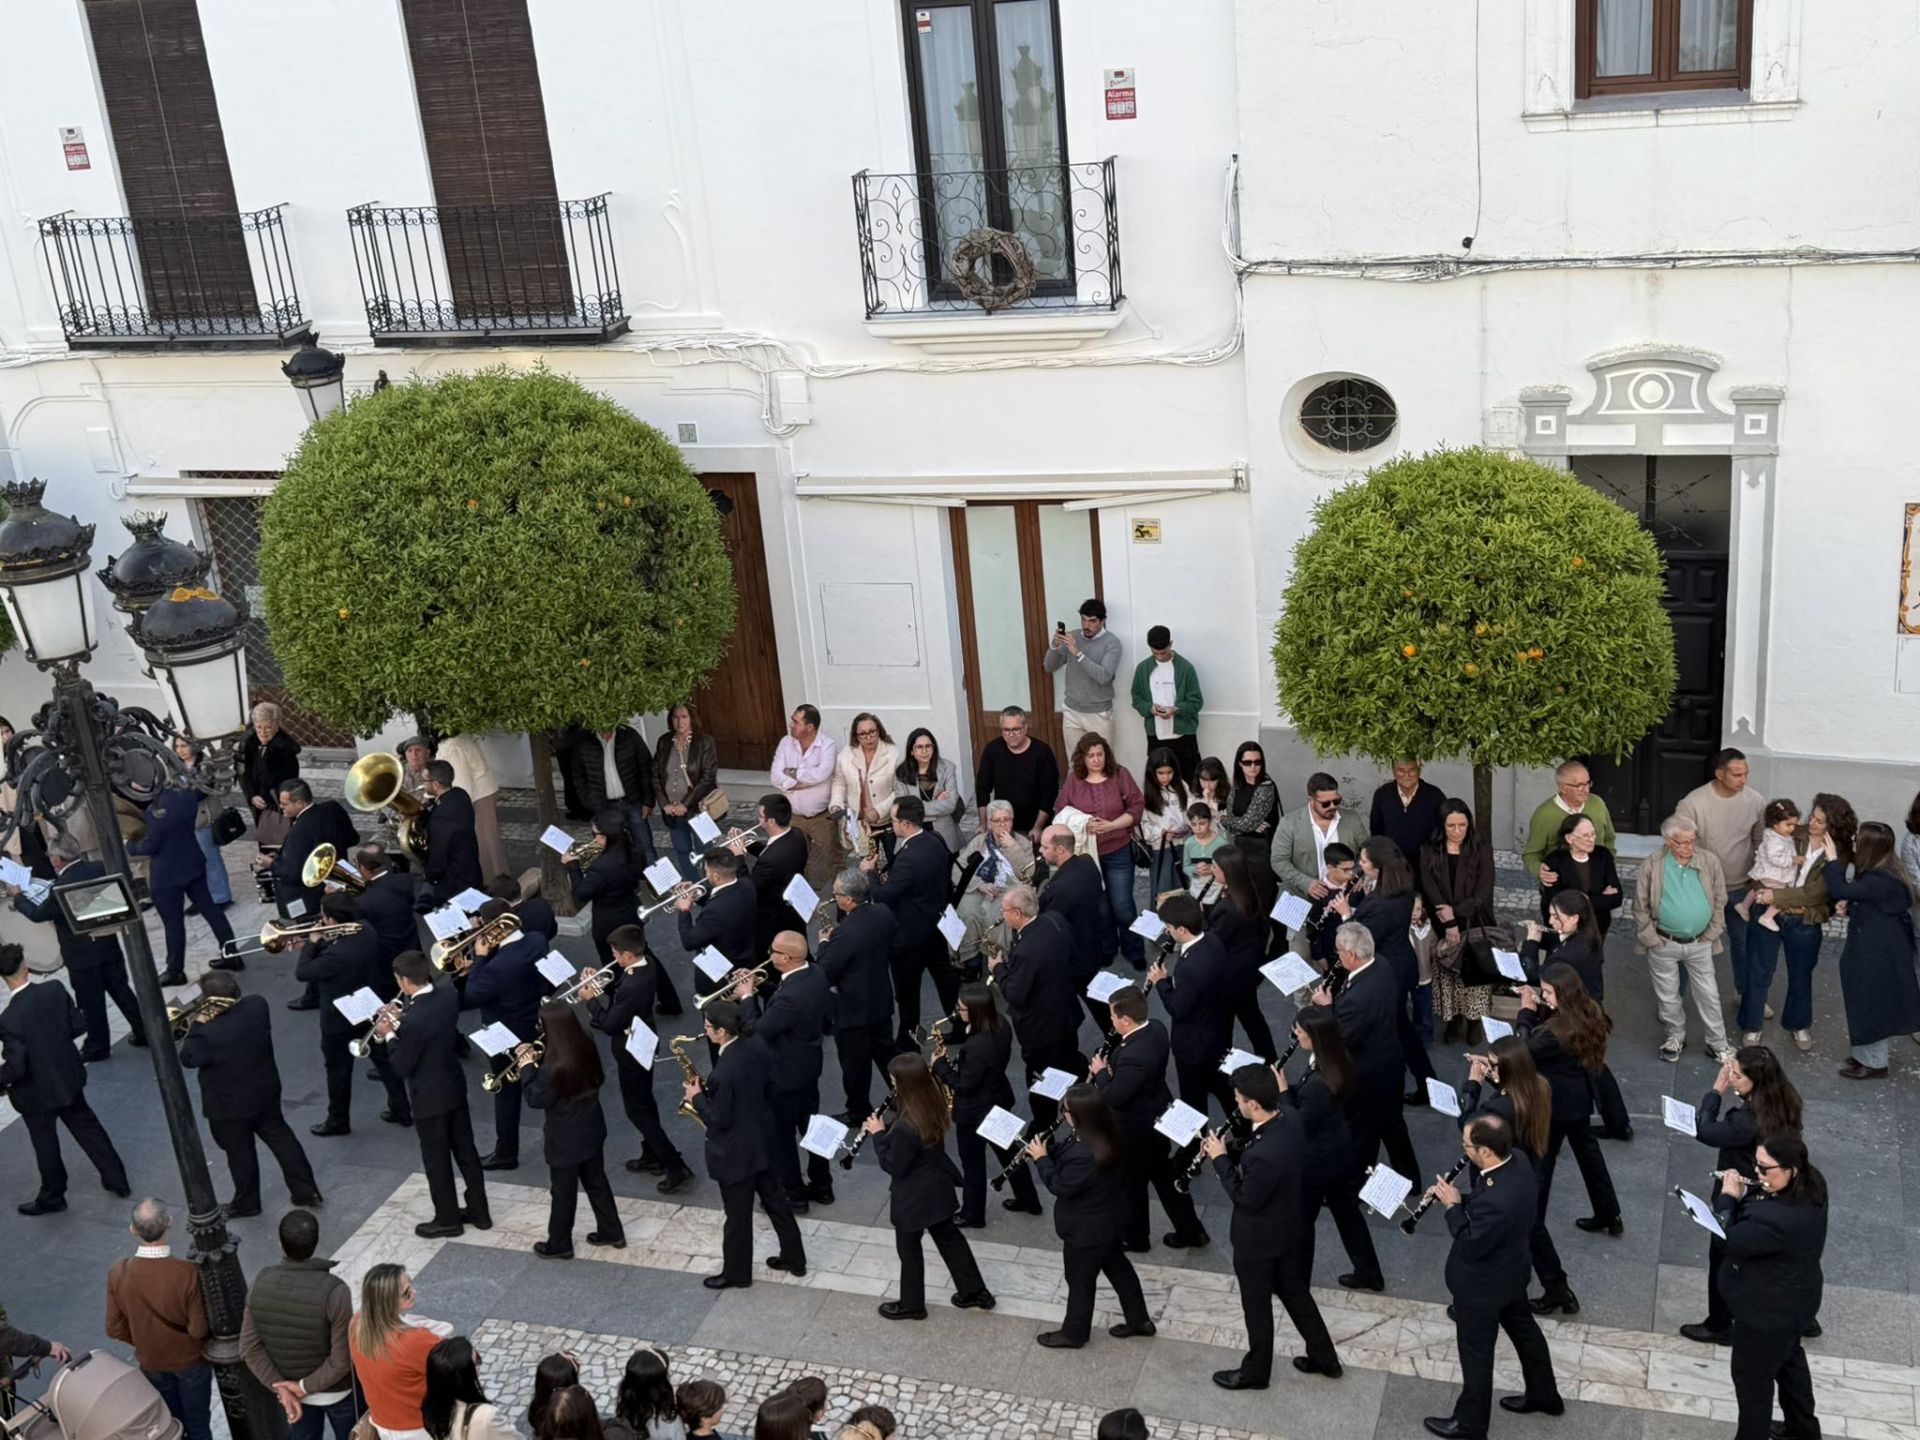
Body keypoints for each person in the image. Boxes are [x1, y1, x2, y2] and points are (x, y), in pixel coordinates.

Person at [1420, 1114, 1564, 1439]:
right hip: (1511, 1274)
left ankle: (1470, 1424)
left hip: (1482, 1288)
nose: (1464, 1149)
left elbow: (1471, 1242)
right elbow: (1488, 1200)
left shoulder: (1497, 1201)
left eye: (1467, 1146)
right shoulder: (1518, 1162)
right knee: (1525, 1332)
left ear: (1485, 1151)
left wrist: (1453, 1208)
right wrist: (1460, 1198)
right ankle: (1544, 1394)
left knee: (1476, 1355)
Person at [1204, 1062, 1341, 1389]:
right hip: (1288, 1227)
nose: (1236, 1103)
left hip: (1258, 1240)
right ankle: (1324, 1356)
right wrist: (1234, 1148)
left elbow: (1245, 1197)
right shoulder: (1289, 1117)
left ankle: (1256, 1372)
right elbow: (1259, 1142)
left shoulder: (1262, 1156)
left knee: (1257, 1306)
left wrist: (1220, 1159)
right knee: (1294, 1292)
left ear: (1253, 1104)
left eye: (1239, 1099)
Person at [1680, 1046, 1805, 1347]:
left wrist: (1716, 1091)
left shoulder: (1748, 1121)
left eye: (1736, 1074)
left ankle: (1719, 1323)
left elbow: (1706, 1131)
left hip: (1741, 1191)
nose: (1730, 1077)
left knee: (1722, 1254)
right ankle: (1801, 1314)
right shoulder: (1784, 1098)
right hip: (1773, 1192)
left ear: (1756, 1080)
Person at [0, 941, 130, 1214]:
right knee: (88, 1128)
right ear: (26, 967)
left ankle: (53, 1196)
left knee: (45, 1143)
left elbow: (16, 1065)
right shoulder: (54, 990)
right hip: (68, 1078)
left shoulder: (9, 1018)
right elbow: (78, 1026)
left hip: (35, 1092)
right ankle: (117, 1179)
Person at [1712, 1132, 1827, 1440]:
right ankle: (1802, 1431)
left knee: (1752, 1382)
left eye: (1765, 1168)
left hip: (1765, 1314)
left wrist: (1728, 1197)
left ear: (1791, 1170)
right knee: (1789, 1363)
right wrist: (1756, 1189)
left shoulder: (1778, 1220)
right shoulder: (1813, 1182)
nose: (1757, 1173)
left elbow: (1728, 1239)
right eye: (1756, 1164)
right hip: (1796, 1303)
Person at [180, 970, 322, 1214]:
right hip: (264, 1091)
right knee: (282, 1139)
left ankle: (248, 1203)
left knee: (240, 1154)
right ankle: (306, 1190)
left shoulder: (205, 1033)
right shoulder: (257, 1006)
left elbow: (189, 1058)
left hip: (228, 1105)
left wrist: (198, 1022)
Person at [866, 1052, 994, 1320]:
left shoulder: (905, 1127)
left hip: (913, 1197)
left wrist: (878, 1134)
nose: (891, 1084)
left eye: (894, 1080)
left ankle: (912, 1304)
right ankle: (974, 1291)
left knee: (909, 1249)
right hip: (938, 1187)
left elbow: (893, 1164)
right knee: (950, 1239)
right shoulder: (931, 1100)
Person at [688, 1000, 806, 1289]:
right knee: (776, 1202)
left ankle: (737, 1274)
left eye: (708, 1026)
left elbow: (718, 1119)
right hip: (763, 1140)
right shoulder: (756, 1044)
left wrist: (697, 1097)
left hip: (736, 1153)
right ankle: (794, 1258)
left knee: (737, 1217)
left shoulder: (723, 1073)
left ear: (722, 1032)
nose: (705, 1030)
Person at [1029, 1083, 1155, 1348]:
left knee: (1079, 1280)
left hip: (1086, 1228)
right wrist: (1049, 1151)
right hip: (1108, 1219)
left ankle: (1074, 1333)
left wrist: (1041, 1160)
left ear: (1078, 1116)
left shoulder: (1083, 1153)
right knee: (1119, 1270)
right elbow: (1069, 1155)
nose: (1063, 1115)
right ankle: (1139, 1320)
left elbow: (1060, 1185)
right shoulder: (1106, 1130)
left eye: (1065, 1111)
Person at [384, 950, 491, 1238]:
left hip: (429, 1098)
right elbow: (427, 1028)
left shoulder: (413, 1020)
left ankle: (447, 1219)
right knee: (466, 1152)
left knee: (437, 1160)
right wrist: (401, 1019)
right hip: (453, 1087)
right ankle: (480, 1212)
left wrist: (389, 1034)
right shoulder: (445, 996)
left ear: (405, 981)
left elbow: (402, 1065)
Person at [1459, 1037, 1567, 1317]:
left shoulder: (1499, 1109)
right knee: (1533, 1229)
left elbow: (1469, 1125)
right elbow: (1510, 1091)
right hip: (1532, 1168)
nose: (1489, 1068)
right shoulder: (1538, 1086)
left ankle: (1477, 1302)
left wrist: (1473, 1084)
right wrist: (1494, 1075)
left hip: (1501, 1176)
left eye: (1494, 1065)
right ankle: (1558, 1288)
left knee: (1490, 1239)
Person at [9, 833, 146, 1053]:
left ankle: (97, 1046)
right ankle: (144, 1031)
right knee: (121, 989)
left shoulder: (61, 886)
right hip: (107, 944)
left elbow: (38, 914)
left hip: (80, 955)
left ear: (57, 859)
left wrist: (18, 897)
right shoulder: (99, 868)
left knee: (91, 1002)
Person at [1278, 1006, 1383, 1292]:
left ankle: (1297, 1283)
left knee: (1302, 1223)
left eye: (1299, 1031)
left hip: (1315, 1162)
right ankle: (1369, 1272)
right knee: (1347, 1215)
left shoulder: (1318, 1081)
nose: (1295, 1035)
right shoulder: (1336, 1059)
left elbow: (1300, 1121)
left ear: (1314, 1036)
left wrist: (1284, 1093)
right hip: (1338, 1151)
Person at [1515, 963, 1622, 1241]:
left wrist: (1526, 1013)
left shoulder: (1555, 1033)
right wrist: (1541, 1003)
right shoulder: (1588, 1010)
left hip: (1555, 1106)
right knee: (1590, 1157)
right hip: (1579, 1099)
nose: (1544, 996)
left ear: (1563, 994)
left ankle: (1533, 1225)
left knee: (1542, 1164)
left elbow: (1521, 1052)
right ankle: (1609, 1213)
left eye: (1548, 992)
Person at [1313, 923, 1420, 1191]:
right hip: (1389, 1064)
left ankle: (1355, 1185)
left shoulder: (1357, 999)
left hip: (1367, 1075)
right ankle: (1410, 1178)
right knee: (1392, 1125)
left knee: (1361, 1132)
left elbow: (1340, 1039)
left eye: (1339, 951)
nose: (1337, 956)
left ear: (1352, 955)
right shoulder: (1381, 965)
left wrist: (1326, 1009)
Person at [587, 924, 694, 1193]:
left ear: (628, 955)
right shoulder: (646, 965)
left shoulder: (632, 984)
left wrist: (591, 1000)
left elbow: (610, 1023)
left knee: (637, 1110)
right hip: (643, 1038)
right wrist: (600, 985)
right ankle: (652, 1154)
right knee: (645, 1101)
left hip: (631, 1049)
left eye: (616, 954)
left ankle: (674, 1165)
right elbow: (622, 995)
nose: (613, 958)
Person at [1742, 794, 1854, 1052]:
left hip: (1804, 918)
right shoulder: (1791, 832)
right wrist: (1761, 888)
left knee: (1801, 975)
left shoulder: (1838, 852)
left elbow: (1817, 892)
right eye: (1812, 816)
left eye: (1820, 821)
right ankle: (1751, 1025)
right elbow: (1764, 859)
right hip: (1767, 910)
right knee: (1758, 970)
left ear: (1834, 825)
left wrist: (1777, 896)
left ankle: (1798, 1024)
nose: (1811, 823)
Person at [1329, 836, 1435, 1099]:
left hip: (1387, 972)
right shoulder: (1402, 888)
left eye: (1364, 862)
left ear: (1379, 867)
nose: (1360, 865)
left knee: (1392, 1031)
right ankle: (1427, 1083)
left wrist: (1346, 914)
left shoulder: (1381, 905)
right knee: (1402, 1028)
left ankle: (1413, 1082)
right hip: (1401, 963)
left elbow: (1362, 941)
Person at [737, 930, 834, 1211]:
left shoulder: (790, 997)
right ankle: (823, 1186)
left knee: (782, 1138)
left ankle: (794, 1194)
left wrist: (746, 997)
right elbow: (783, 1000)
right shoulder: (813, 973)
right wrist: (760, 986)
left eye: (774, 951)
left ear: (787, 958)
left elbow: (758, 1029)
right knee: (811, 1128)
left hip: (783, 1075)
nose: (769, 955)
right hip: (808, 1067)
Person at [1521, 893, 1631, 1140]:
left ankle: (1553, 1125)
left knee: (1577, 1069)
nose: (1551, 921)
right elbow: (1559, 942)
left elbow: (1532, 973)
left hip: (1574, 1019)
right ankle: (1618, 1124)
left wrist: (1531, 942)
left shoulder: (1568, 956)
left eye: (1556, 916)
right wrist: (1543, 936)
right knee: (1595, 1068)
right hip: (1589, 1013)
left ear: (1575, 918)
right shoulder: (1586, 938)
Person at [239, 1209, 354, 1440]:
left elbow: (249, 1348)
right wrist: (302, 1386)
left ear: (280, 1243)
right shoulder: (336, 1290)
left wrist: (282, 1387)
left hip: (291, 1393)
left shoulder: (261, 1282)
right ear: (316, 1240)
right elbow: (341, 1360)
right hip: (337, 1392)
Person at [1818, 819, 1920, 1079]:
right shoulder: (1886, 872)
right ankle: (1864, 1057)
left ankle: (1875, 1064)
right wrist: (1853, 907)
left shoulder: (1880, 878)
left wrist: (1832, 860)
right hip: (1878, 948)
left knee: (1870, 1003)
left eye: (1857, 839)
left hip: (1877, 952)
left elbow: (1840, 888)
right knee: (1867, 1000)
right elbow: (1874, 903)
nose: (1853, 841)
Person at [934, 981, 1041, 1226]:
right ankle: (1029, 1199)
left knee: (973, 1163)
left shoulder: (978, 1046)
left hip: (974, 1111)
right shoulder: (1001, 1023)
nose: (957, 1011)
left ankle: (973, 1213)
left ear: (975, 1011)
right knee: (1009, 1152)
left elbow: (964, 1086)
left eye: (961, 1008)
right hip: (998, 1098)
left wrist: (940, 1066)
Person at [523, 1000, 625, 1257]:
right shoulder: (585, 1040)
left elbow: (535, 1098)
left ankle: (560, 1243)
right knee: (596, 1180)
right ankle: (612, 1230)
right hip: (591, 1125)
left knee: (563, 1191)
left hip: (565, 1136)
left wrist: (526, 1066)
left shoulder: (553, 1067)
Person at [105, 1200, 211, 1440]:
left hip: (151, 1363)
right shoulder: (188, 1273)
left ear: (133, 1230)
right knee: (198, 1426)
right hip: (189, 1363)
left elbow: (113, 1328)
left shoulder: (119, 1272)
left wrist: (144, 1338)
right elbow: (198, 1330)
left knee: (169, 1425)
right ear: (169, 1223)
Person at [1636, 814, 1734, 1063]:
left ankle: (1718, 1043)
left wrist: (1712, 932)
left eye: (1692, 840)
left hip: (1700, 942)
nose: (1689, 847)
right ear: (1668, 841)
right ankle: (1675, 1037)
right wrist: (1651, 939)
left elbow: (1720, 899)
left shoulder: (1709, 861)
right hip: (1663, 942)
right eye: (1683, 842)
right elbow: (1640, 905)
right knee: (1668, 995)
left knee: (1709, 994)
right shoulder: (1652, 864)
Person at [991, 884, 1085, 1139]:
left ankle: (1043, 1126)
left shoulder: (1026, 951)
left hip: (1040, 1027)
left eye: (1004, 910)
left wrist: (998, 968)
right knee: (1069, 1057)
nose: (1002, 914)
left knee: (1040, 1077)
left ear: (1018, 913)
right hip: (1065, 1011)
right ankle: (1082, 1094)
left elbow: (1015, 994)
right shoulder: (1054, 920)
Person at [458, 898, 546, 1169]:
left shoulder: (495, 968)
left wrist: (479, 960)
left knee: (506, 1091)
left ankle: (506, 1153)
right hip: (535, 1021)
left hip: (505, 1031)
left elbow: (472, 996)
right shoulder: (536, 940)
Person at [1676, 748, 1768, 1001]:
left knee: (1744, 944)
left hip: (1741, 887)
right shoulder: (1693, 803)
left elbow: (1760, 842)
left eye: (1746, 774)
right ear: (1719, 774)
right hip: (1701, 888)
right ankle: (1674, 999)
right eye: (1737, 775)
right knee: (1688, 943)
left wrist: (1758, 880)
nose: (1744, 780)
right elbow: (1679, 846)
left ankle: (1747, 997)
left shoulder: (1756, 802)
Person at [865, 795, 956, 1044]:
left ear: (905, 824)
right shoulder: (934, 839)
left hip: (909, 935)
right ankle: (960, 1025)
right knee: (945, 980)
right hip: (934, 926)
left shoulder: (909, 857)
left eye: (893, 820)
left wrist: (871, 873)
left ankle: (908, 1040)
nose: (891, 824)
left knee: (907, 991)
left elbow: (883, 895)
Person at [1053, 734, 1146, 971]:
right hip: (1088, 855)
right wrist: (1083, 825)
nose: (1096, 760)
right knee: (1101, 907)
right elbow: (1061, 812)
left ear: (1106, 754)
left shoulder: (1120, 774)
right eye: (1091, 756)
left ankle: (1134, 949)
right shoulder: (1074, 780)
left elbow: (1137, 806)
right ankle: (1107, 948)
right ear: (1082, 758)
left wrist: (1112, 825)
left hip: (1118, 849)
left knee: (1123, 906)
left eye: (1100, 754)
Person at [295, 892, 383, 1138]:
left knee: (338, 1071)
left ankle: (338, 1120)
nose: (321, 920)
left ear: (332, 920)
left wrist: (311, 944)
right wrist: (322, 942)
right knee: (382, 1059)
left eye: (324, 916)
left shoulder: (336, 955)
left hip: (337, 1017)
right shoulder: (366, 929)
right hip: (366, 1003)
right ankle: (401, 1108)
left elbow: (303, 973)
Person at [130, 781, 239, 979]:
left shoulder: (155, 812)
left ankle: (175, 970)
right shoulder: (186, 796)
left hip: (167, 875)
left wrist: (131, 846)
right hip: (192, 862)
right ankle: (231, 952)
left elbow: (150, 846)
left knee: (173, 923)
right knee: (211, 910)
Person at [815, 869, 896, 1119]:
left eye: (837, 894)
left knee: (855, 1066)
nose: (834, 897)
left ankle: (858, 1110)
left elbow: (825, 970)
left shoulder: (846, 932)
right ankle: (905, 1097)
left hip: (852, 1010)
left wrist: (824, 942)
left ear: (849, 900)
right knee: (887, 1055)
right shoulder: (883, 912)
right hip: (880, 999)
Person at [1148, 893, 1234, 1120]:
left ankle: (1197, 1139)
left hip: (1194, 1045)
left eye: (1169, 927)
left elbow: (1177, 1008)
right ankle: (1240, 1127)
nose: (1167, 931)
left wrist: (1161, 983)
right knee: (1222, 1084)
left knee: (1193, 1100)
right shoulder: (1212, 940)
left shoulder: (1189, 968)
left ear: (1182, 929)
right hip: (1216, 1030)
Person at [1418, 800, 1496, 1044]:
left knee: (1474, 975)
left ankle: (1474, 1021)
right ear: (1442, 826)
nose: (1457, 830)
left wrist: (1454, 912)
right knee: (1448, 974)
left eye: (1462, 825)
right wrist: (1448, 921)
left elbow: (1484, 892)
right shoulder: (1429, 849)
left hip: (1474, 920)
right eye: (1451, 825)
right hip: (1442, 921)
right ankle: (1453, 1019)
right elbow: (1428, 885)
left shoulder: (1481, 847)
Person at [349, 1264, 453, 1440]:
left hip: (381, 1420)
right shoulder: (414, 1341)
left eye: (411, 1284)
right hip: (418, 1426)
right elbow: (454, 1366)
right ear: (388, 1301)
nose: (414, 1292)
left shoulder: (357, 1324)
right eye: (406, 1293)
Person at [1270, 773, 1368, 955]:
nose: (1332, 807)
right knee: (1300, 951)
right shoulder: (1289, 823)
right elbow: (1278, 861)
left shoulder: (1352, 819)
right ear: (1311, 800)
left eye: (1336, 801)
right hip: (1299, 896)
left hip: (1341, 897)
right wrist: (1306, 883)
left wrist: (1360, 873)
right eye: (1325, 803)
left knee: (1344, 949)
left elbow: (1367, 851)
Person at [1205, 845, 1278, 1061]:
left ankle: (1222, 1066)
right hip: (1249, 969)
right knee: (1253, 1019)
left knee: (1223, 1024)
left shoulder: (1228, 908)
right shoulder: (1251, 891)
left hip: (1229, 977)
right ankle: (1271, 1062)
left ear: (1227, 871)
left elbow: (1214, 941)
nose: (1212, 870)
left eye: (1215, 867)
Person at [266, 779, 361, 929]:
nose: (281, 807)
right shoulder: (333, 809)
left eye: (284, 803)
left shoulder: (298, 832)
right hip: (344, 876)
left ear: (300, 803)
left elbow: (293, 874)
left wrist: (271, 864)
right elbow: (353, 838)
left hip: (316, 898)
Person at [1036, 823, 1109, 1010]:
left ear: (1060, 849)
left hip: (1075, 958)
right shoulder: (1086, 862)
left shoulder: (1059, 890)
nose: (1040, 851)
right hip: (1093, 943)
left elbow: (1048, 926)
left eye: (1045, 847)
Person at [953, 800, 1032, 966]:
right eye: (997, 820)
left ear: (1012, 821)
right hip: (979, 886)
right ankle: (969, 959)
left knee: (996, 916)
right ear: (989, 822)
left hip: (1009, 889)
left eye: (1007, 819)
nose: (1002, 824)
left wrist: (1013, 848)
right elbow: (958, 869)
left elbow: (1028, 873)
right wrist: (979, 885)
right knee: (967, 912)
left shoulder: (1022, 843)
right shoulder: (979, 842)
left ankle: (996, 961)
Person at [570, 721, 659, 867]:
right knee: (615, 850)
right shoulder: (584, 741)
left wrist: (648, 800)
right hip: (605, 806)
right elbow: (578, 775)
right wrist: (589, 801)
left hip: (633, 801)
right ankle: (628, 880)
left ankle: (655, 879)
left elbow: (645, 767)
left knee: (645, 845)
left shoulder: (629, 735)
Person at [771, 704, 839, 890]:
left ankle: (844, 895)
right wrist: (802, 782)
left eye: (796, 721)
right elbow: (775, 776)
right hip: (794, 816)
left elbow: (821, 774)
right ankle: (801, 896)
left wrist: (791, 773)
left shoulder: (827, 745)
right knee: (795, 859)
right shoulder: (786, 742)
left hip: (821, 817)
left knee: (833, 857)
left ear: (810, 727)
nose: (790, 724)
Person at [1044, 599, 1123, 758]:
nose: (1086, 625)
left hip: (1099, 713)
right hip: (1072, 711)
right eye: (1083, 620)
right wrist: (1054, 646)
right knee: (1075, 763)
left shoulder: (1112, 643)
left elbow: (1103, 677)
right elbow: (1049, 667)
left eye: (1092, 621)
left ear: (1102, 621)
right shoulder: (1073, 636)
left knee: (1102, 763)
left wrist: (1078, 653)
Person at [734, 794, 809, 962]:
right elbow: (771, 851)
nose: (758, 819)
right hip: (793, 906)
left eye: (760, 816)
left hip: (773, 915)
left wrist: (738, 856)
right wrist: (748, 844)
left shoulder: (771, 860)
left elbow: (748, 887)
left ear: (771, 821)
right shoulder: (796, 834)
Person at [568, 806, 643, 973]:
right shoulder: (634, 850)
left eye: (594, 834)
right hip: (631, 912)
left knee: (613, 965)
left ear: (604, 836)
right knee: (638, 956)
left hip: (609, 924)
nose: (594, 839)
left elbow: (580, 894)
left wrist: (572, 866)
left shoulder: (602, 868)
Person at [973, 706, 1059, 846]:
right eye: (1006, 730)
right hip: (1003, 826)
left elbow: (1049, 793)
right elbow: (982, 788)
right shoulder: (992, 750)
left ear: (1025, 728)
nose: (1011, 734)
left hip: (1033, 825)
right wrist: (983, 824)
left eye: (1016, 729)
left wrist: (1038, 827)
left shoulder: (1042, 752)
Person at [655, 703, 721, 882]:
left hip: (699, 808)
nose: (679, 721)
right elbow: (655, 774)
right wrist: (664, 803)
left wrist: (686, 804)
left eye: (684, 717)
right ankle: (695, 887)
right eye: (675, 717)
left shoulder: (704, 741)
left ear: (692, 718)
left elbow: (708, 777)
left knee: (705, 850)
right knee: (682, 850)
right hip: (672, 810)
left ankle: (712, 886)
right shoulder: (664, 741)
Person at [1521, 760, 1616, 882]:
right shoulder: (1544, 815)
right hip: (1562, 884)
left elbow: (1609, 838)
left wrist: (1609, 868)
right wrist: (1539, 869)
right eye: (1579, 785)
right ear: (1563, 788)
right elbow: (1531, 854)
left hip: (1598, 879)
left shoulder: (1598, 804)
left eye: (1588, 783)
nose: (1586, 789)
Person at [1128, 626, 1203, 781]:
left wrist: (1176, 709)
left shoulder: (1186, 668)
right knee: (1157, 781)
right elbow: (1136, 699)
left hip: (1184, 735)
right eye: (1155, 653)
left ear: (1171, 644)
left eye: (1163, 652)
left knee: (1190, 778)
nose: (1160, 657)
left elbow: (1196, 702)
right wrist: (1150, 708)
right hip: (1155, 735)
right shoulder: (1143, 669)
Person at [170, 735, 234, 909]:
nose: (180, 750)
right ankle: (201, 898)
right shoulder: (174, 766)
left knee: (210, 858)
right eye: (177, 746)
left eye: (184, 746)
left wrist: (181, 796)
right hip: (183, 820)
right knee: (191, 862)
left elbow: (202, 792)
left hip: (203, 818)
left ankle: (221, 897)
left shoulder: (205, 765)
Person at [435, 732, 507, 885]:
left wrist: (458, 810)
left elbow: (462, 783)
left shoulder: (454, 746)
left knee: (484, 844)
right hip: (481, 794)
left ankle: (493, 883)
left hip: (479, 797)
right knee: (488, 843)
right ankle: (496, 880)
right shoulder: (455, 742)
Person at [1536, 812, 1623, 936]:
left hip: (1596, 929)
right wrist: (1599, 897)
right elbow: (1560, 903)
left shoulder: (1603, 855)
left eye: (1593, 834)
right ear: (1569, 839)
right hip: (1564, 931)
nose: (1592, 839)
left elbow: (1616, 898)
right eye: (1586, 835)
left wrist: (1580, 898)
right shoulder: (1554, 861)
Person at [830, 714, 899, 860]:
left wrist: (879, 811)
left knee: (894, 862)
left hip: (888, 822)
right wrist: (836, 804)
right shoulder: (846, 754)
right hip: (861, 824)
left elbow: (900, 790)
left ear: (879, 730)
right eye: (862, 734)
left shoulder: (893, 753)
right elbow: (839, 782)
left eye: (872, 731)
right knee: (868, 864)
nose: (868, 738)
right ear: (856, 736)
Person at [421, 1337, 519, 1440]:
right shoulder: (487, 1417)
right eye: (477, 1361)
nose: (479, 1365)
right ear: (465, 1374)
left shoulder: (432, 1411)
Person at [677, 848, 755, 971]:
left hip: (723, 963)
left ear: (716, 876)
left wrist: (684, 910)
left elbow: (689, 942)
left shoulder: (714, 912)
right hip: (744, 949)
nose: (705, 874)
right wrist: (697, 893)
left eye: (707, 871)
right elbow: (723, 894)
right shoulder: (747, 884)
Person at [420, 762, 485, 908]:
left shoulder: (442, 815)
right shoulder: (460, 794)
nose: (422, 784)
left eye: (424, 781)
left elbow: (439, 852)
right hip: (470, 869)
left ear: (435, 784)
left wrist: (430, 876)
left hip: (454, 882)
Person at [1216, 742, 1280, 882]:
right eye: (1247, 762)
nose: (1253, 766)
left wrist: (1221, 818)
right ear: (1239, 763)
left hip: (1261, 851)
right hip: (1240, 848)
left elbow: (1243, 824)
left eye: (1257, 762)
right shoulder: (1237, 786)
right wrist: (1250, 826)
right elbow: (1236, 824)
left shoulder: (1266, 787)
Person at [1736, 799, 1802, 934]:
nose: (1792, 828)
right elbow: (1775, 859)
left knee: (1756, 889)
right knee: (1782, 896)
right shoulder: (1774, 840)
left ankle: (1744, 906)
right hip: (1774, 875)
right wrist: (1793, 860)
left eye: (1794, 825)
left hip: (1767, 873)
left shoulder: (1777, 834)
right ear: (1775, 824)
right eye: (1788, 825)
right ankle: (1767, 917)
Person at [894, 728, 964, 852]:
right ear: (911, 751)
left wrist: (917, 809)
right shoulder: (901, 773)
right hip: (914, 834)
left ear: (933, 748)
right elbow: (904, 810)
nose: (924, 751)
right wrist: (937, 804)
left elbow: (951, 804)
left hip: (944, 834)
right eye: (919, 747)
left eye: (928, 746)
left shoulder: (947, 768)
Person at [1135, 749, 1192, 900]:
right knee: (1163, 892)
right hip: (1160, 848)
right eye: (1160, 773)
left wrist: (1187, 827)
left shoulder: (1182, 786)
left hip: (1184, 844)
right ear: (1152, 772)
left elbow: (1190, 811)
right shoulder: (1145, 793)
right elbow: (1142, 826)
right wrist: (1161, 832)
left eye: (1169, 772)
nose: (1165, 777)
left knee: (1183, 889)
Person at [240, 702, 302, 838]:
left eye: (268, 727)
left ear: (277, 726)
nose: (262, 732)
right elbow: (246, 773)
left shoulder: (285, 750)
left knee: (278, 840)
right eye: (259, 727)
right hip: (258, 803)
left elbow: (288, 784)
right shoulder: (251, 744)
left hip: (277, 806)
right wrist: (252, 796)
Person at [1368, 760, 1447, 865]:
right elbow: (1376, 830)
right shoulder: (1382, 795)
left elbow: (1444, 829)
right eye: (1401, 770)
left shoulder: (1435, 795)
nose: (1406, 775)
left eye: (1411, 770)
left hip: (1427, 864)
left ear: (1419, 771)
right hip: (1392, 865)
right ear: (1393, 772)